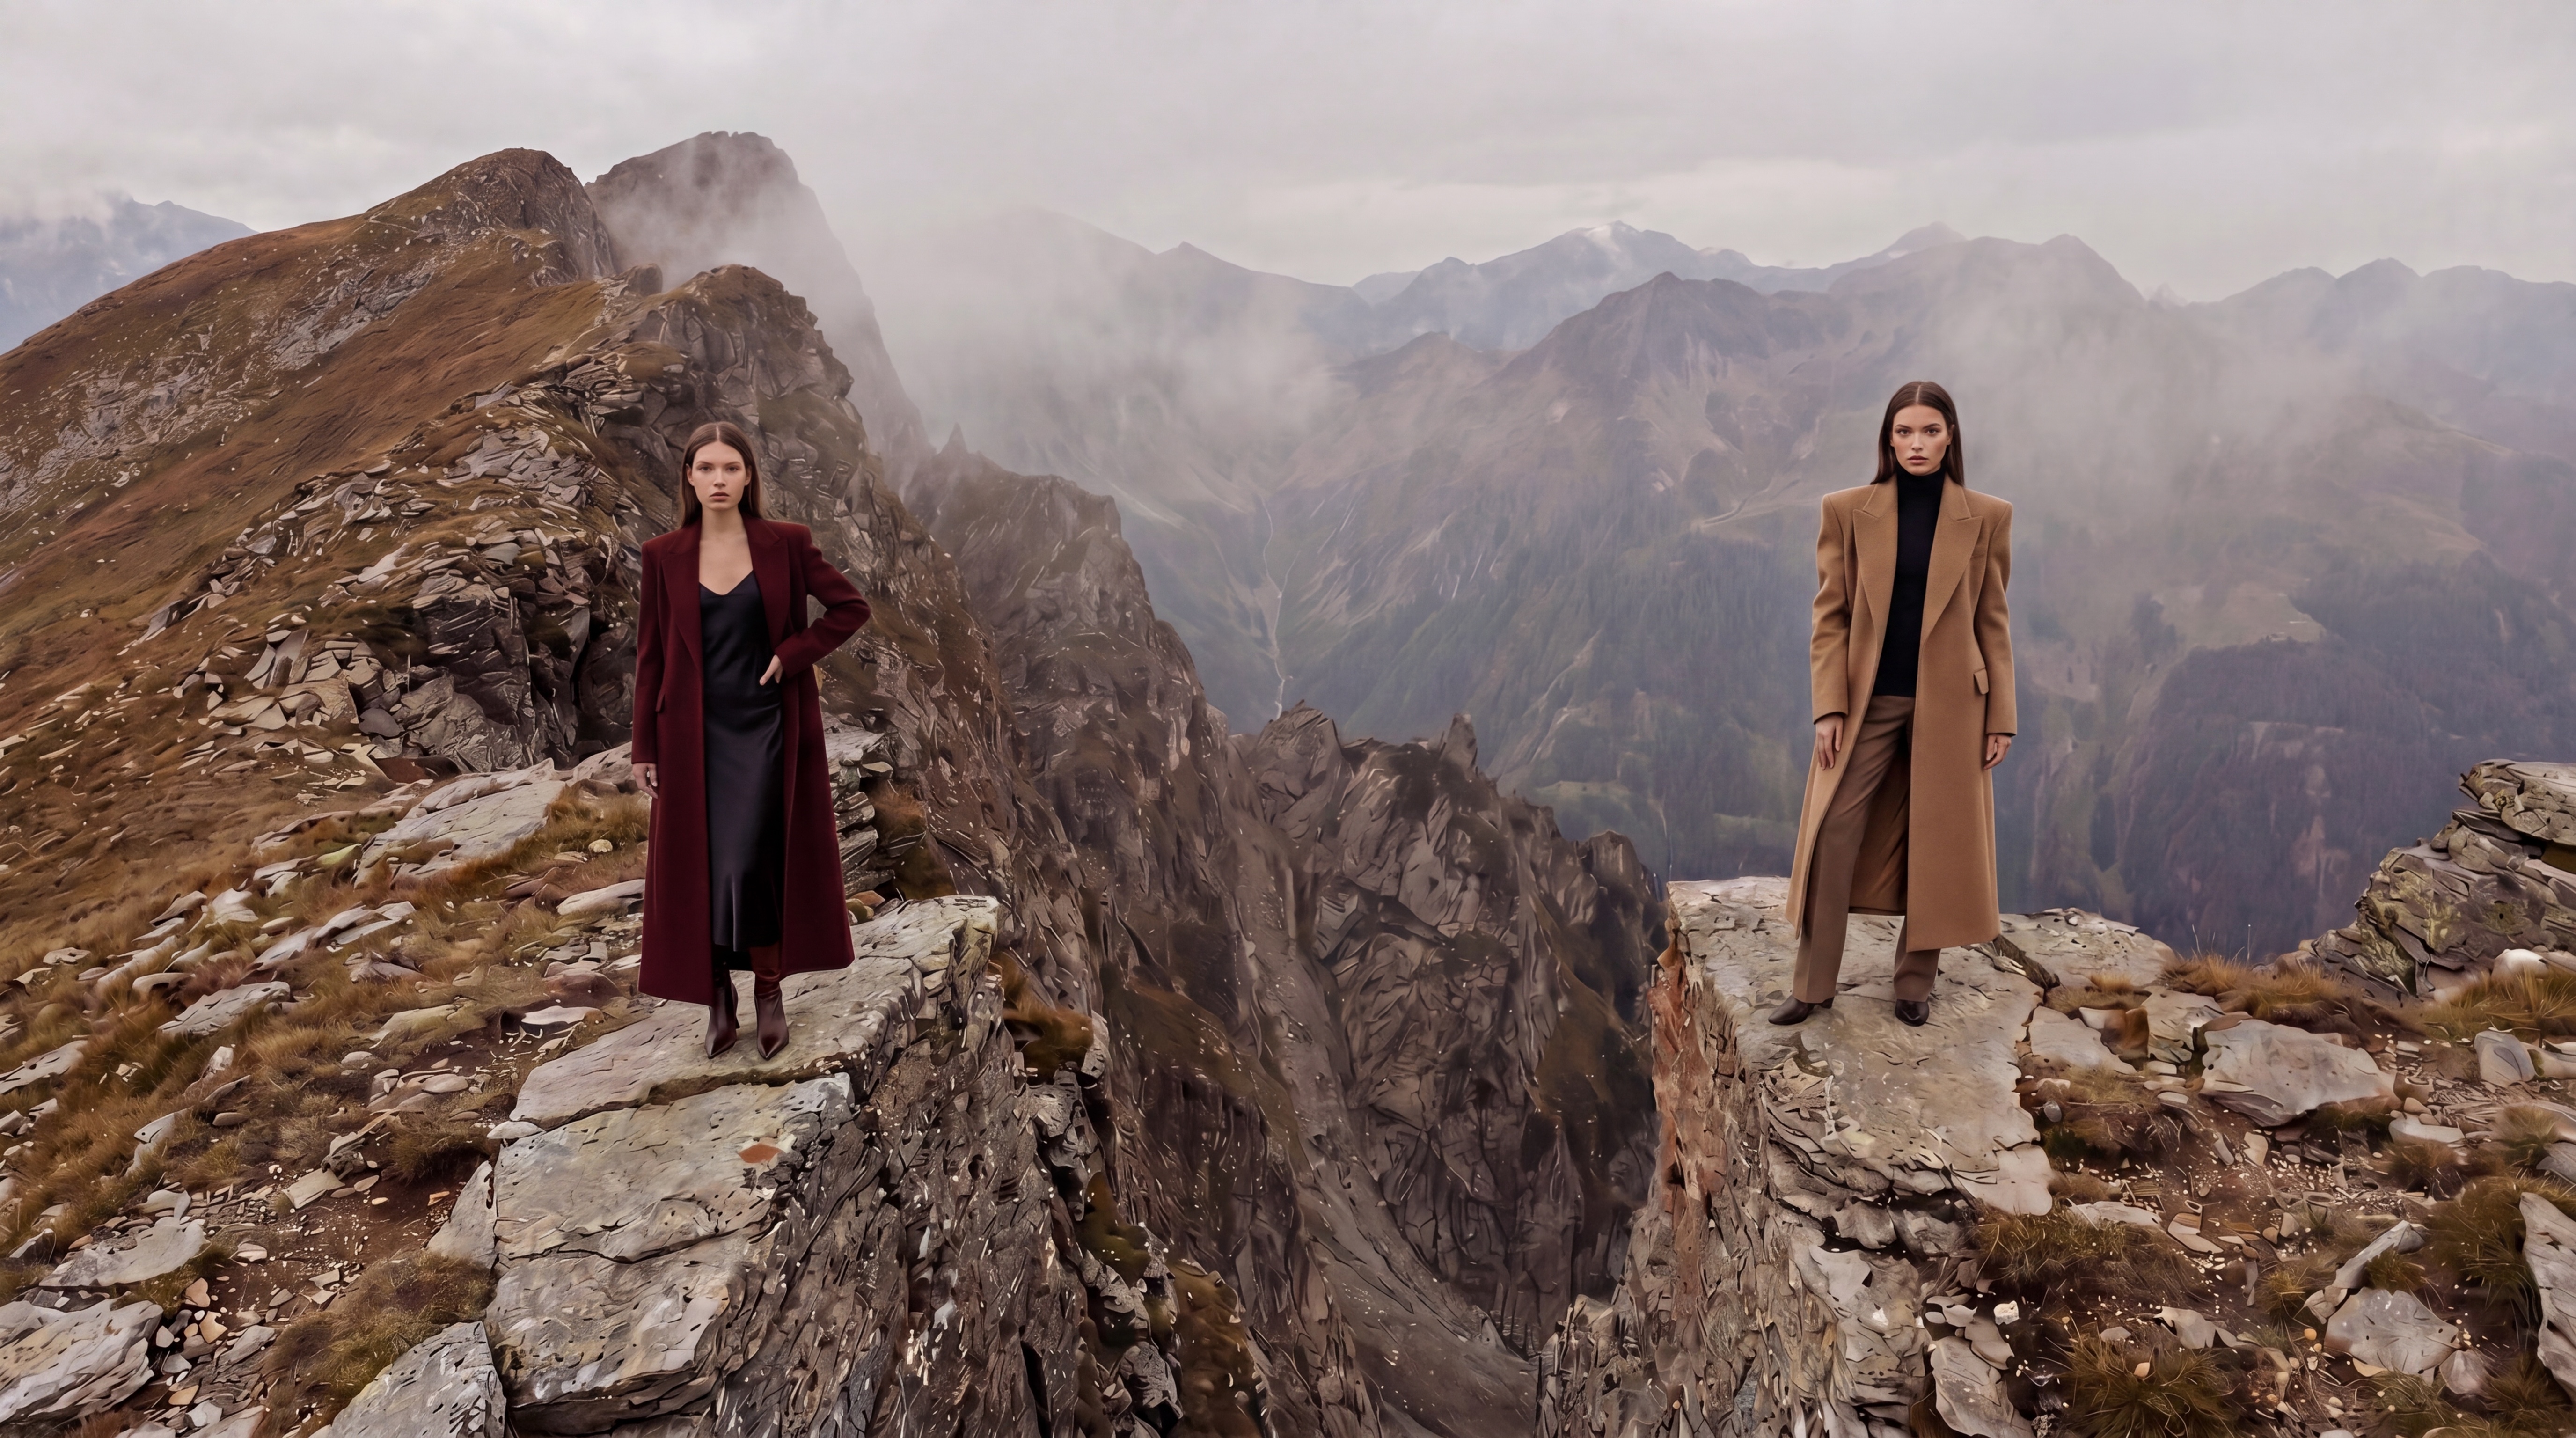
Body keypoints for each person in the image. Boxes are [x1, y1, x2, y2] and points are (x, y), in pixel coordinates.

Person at [1774, 381, 2015, 1029]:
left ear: (1950, 437)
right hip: (1868, 702)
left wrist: (2001, 717)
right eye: (1904, 431)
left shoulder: (1988, 517)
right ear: (1888, 437)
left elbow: (1993, 622)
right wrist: (1829, 707)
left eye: (1930, 431)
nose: (1917, 444)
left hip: (1955, 706)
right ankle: (1813, 986)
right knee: (1833, 830)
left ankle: (1914, 984)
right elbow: (1831, 616)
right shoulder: (1847, 511)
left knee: (1935, 841)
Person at [629, 420, 873, 1057]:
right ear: (688, 477)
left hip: (766, 728)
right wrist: (643, 748)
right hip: (691, 737)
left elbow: (851, 608)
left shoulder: (786, 543)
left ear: (748, 477)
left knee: (752, 863)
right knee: (705, 867)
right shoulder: (662, 555)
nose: (719, 479)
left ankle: (768, 991)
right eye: (707, 468)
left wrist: (794, 654)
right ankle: (717, 997)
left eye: (731, 468)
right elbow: (651, 657)